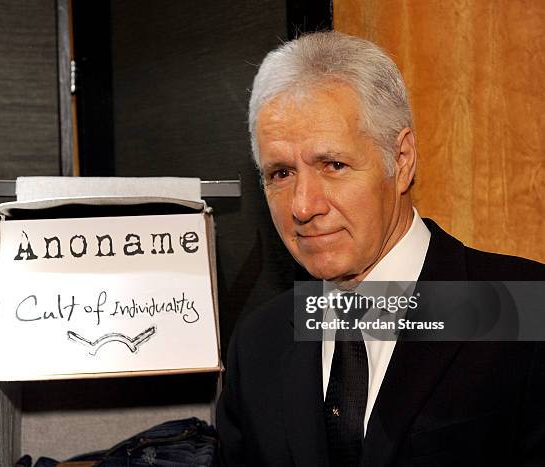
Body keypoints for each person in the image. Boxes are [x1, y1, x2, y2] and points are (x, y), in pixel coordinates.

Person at [215, 31, 545, 466]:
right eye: (280, 173)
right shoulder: (259, 344)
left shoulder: (525, 309)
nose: (302, 205)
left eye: (333, 165)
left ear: (402, 159)